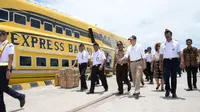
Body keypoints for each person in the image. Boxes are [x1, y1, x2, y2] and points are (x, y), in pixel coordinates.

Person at [0, 30, 25, 112]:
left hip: (5, 68)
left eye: (0, 35)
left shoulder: (9, 45)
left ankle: (20, 96)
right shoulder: (0, 45)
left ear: (4, 35)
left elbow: (11, 58)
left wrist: (8, 70)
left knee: (3, 87)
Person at [159, 29, 184, 98]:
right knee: (166, 77)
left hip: (174, 61)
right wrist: (160, 64)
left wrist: (182, 60)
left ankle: (173, 92)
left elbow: (180, 52)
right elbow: (161, 55)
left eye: (168, 35)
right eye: (166, 35)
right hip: (166, 61)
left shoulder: (176, 43)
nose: (167, 36)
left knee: (174, 77)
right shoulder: (162, 44)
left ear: (171, 35)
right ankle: (167, 90)